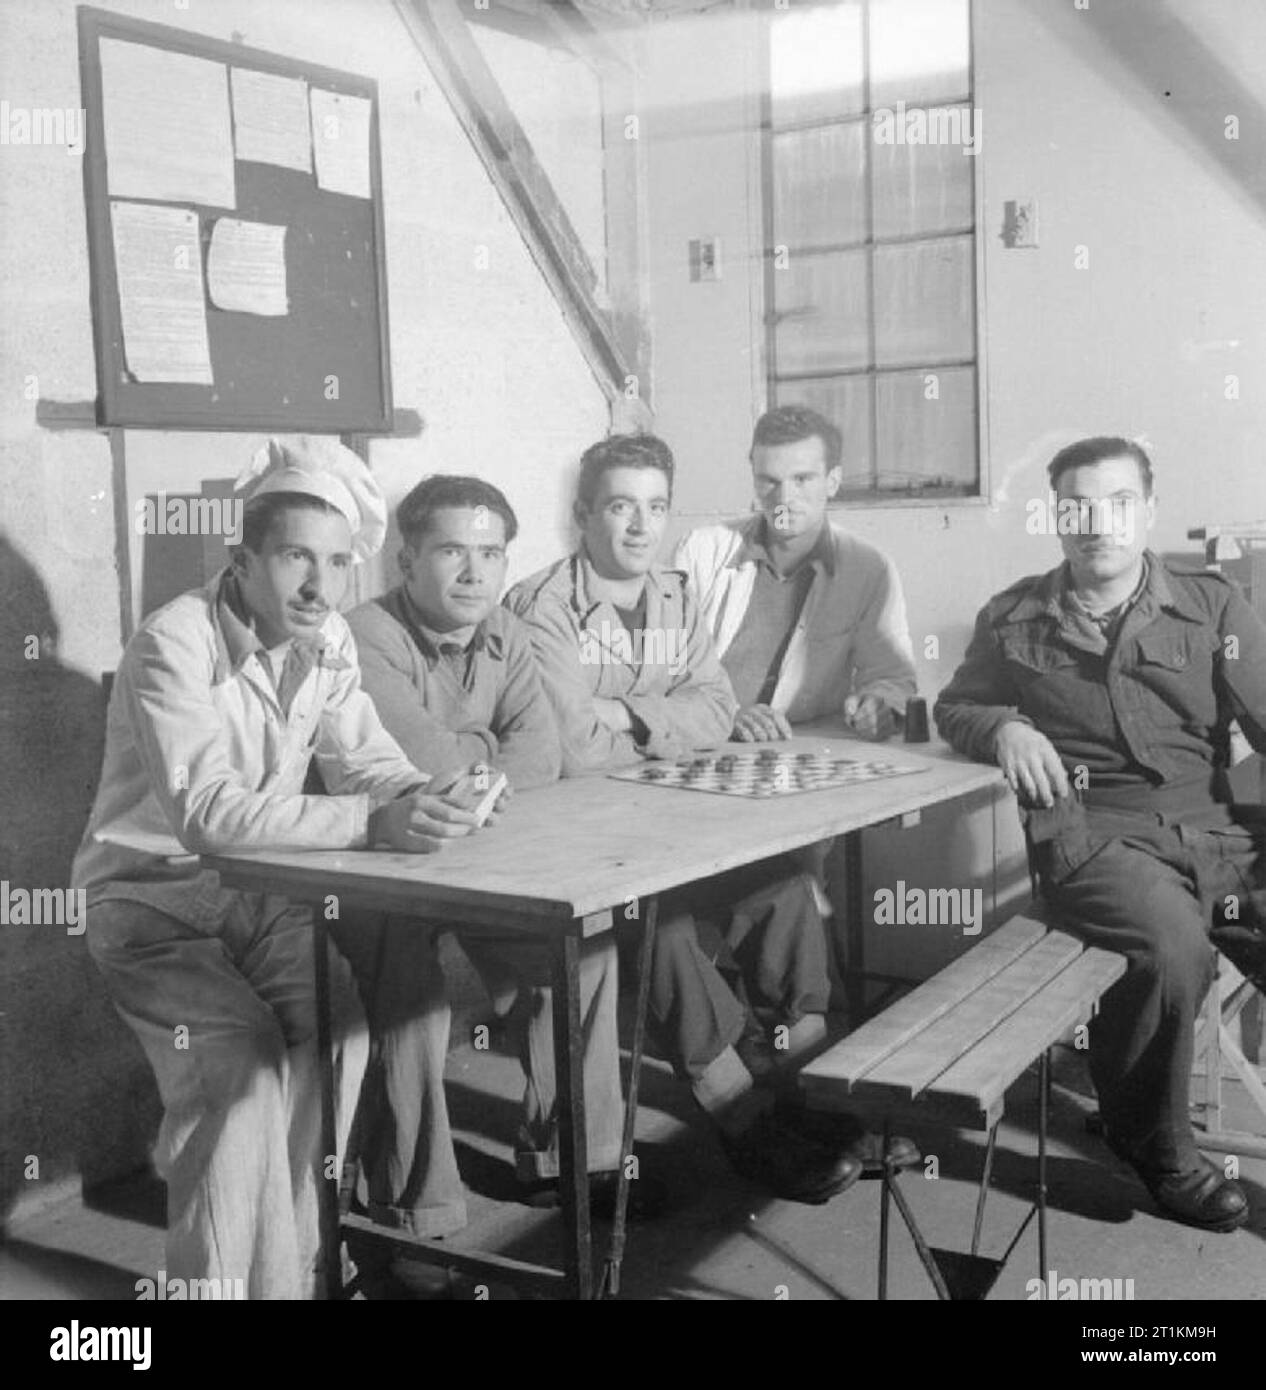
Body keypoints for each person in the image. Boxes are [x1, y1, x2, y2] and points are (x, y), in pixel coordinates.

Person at [71, 438, 488, 1298]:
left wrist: (436, 795)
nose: (320, 586)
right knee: (245, 1066)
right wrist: (377, 821)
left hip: (260, 900)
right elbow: (208, 813)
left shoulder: (326, 638)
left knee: (342, 1032)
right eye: (298, 557)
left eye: (339, 563)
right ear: (244, 559)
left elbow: (367, 760)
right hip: (151, 910)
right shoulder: (171, 644)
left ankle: (298, 1273)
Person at [507, 432, 917, 1202]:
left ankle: (811, 1090)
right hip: (581, 846)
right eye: (620, 507)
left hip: (671, 819)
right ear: (581, 514)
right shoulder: (541, 608)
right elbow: (573, 749)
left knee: (789, 894)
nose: (638, 526)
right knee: (661, 931)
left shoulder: (671, 592)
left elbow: (717, 705)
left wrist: (623, 713)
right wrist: (663, 718)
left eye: (654, 507)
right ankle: (743, 1114)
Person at [935, 435, 1266, 1232]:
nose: (1097, 523)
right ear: (1055, 516)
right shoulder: (1014, 614)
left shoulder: (1212, 603)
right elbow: (957, 705)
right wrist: (1004, 730)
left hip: (1219, 824)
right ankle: (1157, 1148)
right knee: (1170, 949)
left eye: (1118, 503)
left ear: (1148, 511)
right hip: (1093, 832)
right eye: (1076, 505)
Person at [342, 475, 652, 1275]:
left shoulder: (507, 630)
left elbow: (543, 755)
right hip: (377, 864)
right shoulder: (363, 635)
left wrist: (472, 768)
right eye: (452, 551)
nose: (476, 573)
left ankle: (569, 1160)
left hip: (485, 848)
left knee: (582, 953)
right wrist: (483, 757)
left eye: (491, 552)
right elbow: (419, 762)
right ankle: (415, 1207)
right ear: (405, 560)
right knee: (409, 992)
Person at [674, 404, 917, 744]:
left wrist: (879, 705)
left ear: (832, 482)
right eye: (769, 481)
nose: (785, 498)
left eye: (802, 479)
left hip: (810, 752)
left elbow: (893, 676)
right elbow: (663, 671)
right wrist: (724, 715)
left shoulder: (870, 568)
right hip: (706, 746)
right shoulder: (699, 552)